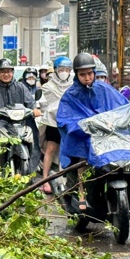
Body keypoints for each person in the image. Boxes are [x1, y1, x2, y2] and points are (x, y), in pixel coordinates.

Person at [56, 52, 130, 214]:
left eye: (90, 73)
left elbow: (123, 107)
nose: (87, 78)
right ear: (76, 75)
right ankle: (82, 194)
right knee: (82, 156)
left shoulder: (105, 89)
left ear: (94, 73)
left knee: (129, 159)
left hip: (111, 136)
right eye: (83, 75)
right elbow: (65, 119)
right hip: (87, 138)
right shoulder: (70, 96)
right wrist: (81, 127)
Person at [0, 58, 43, 169]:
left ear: (12, 72)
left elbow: (30, 102)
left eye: (8, 71)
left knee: (33, 133)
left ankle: (33, 167)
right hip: (0, 123)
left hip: (20, 122)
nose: (6, 74)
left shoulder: (20, 87)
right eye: (2, 72)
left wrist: (34, 109)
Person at [38, 56, 74, 194]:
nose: (64, 72)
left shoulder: (74, 84)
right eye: (61, 69)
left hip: (71, 123)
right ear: (56, 70)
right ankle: (45, 179)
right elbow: (43, 103)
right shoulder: (48, 86)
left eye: (67, 69)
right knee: (51, 149)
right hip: (53, 122)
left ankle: (72, 181)